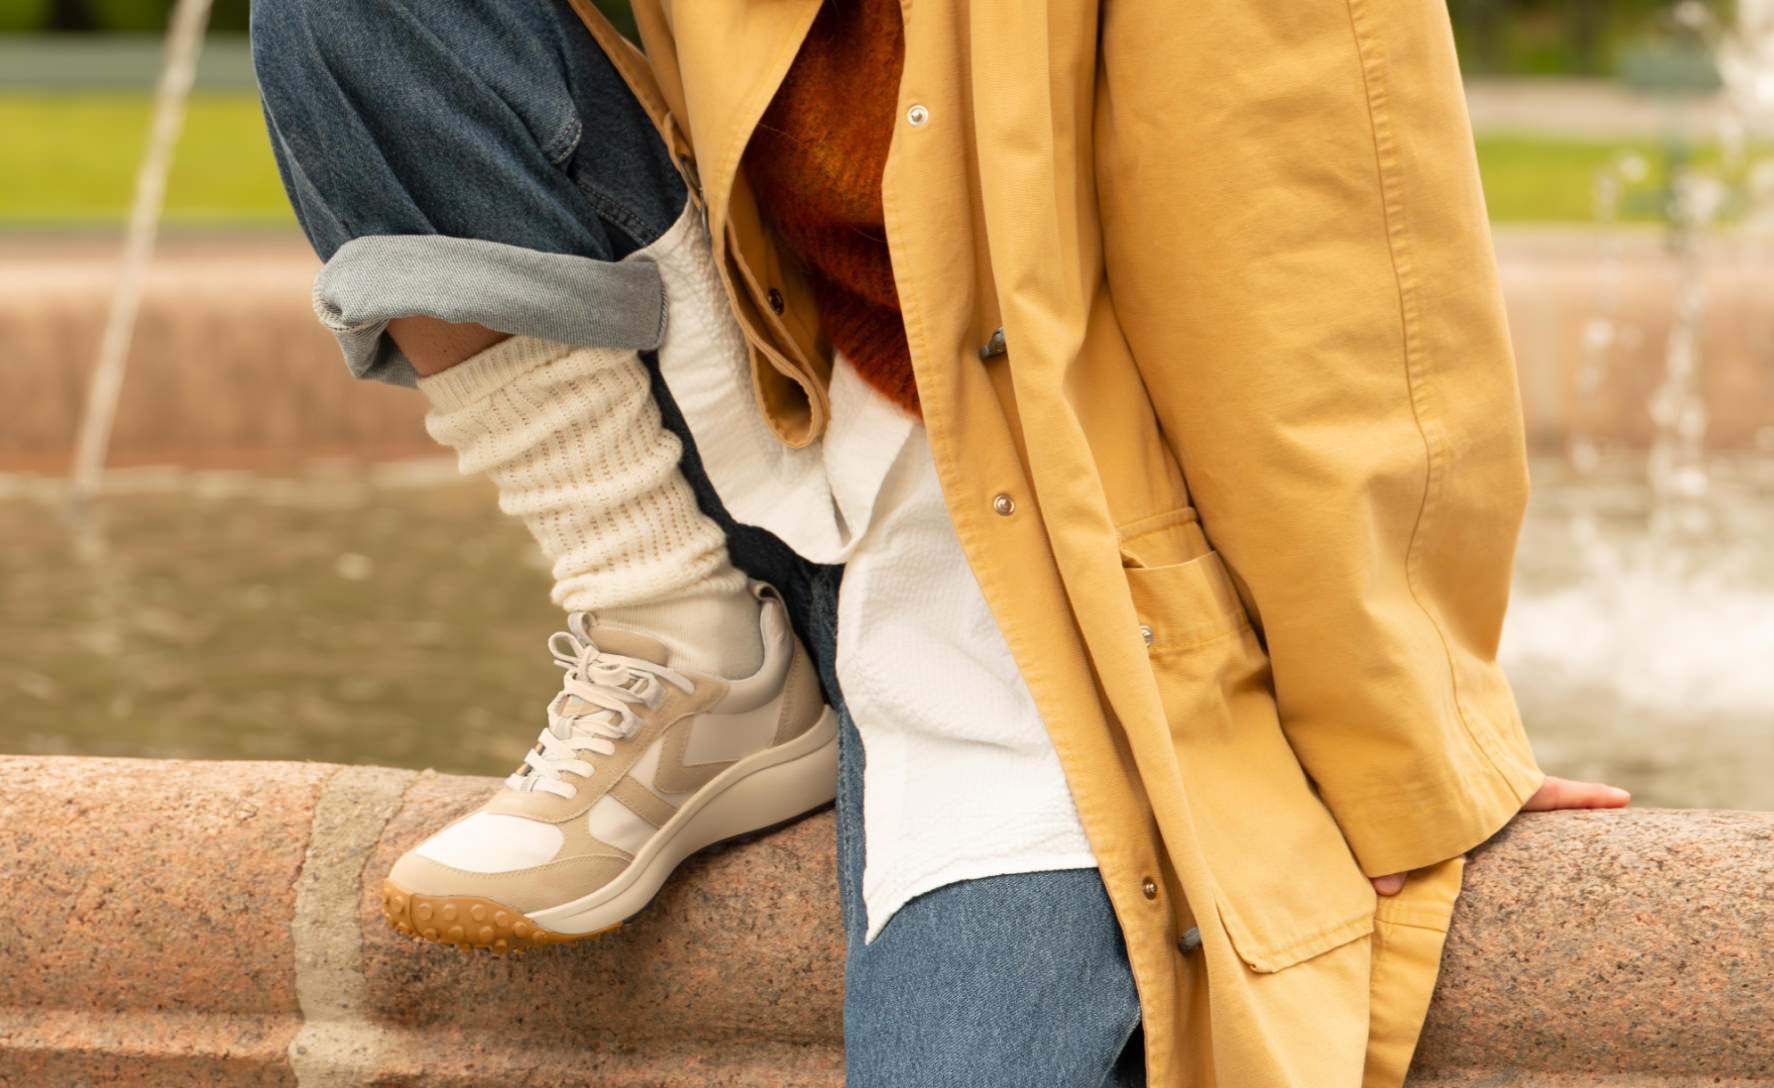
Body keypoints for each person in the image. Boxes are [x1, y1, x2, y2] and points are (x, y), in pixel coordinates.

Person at [251, 1, 1629, 1085]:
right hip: (753, 430)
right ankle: (684, 638)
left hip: (1034, 566)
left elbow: (1324, 296)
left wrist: (1397, 742)